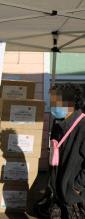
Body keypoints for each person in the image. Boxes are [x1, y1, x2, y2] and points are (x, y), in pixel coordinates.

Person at [47, 83, 85, 219]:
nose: (52, 104)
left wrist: (77, 187)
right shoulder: (58, 123)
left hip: (76, 196)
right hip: (57, 190)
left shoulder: (82, 126)